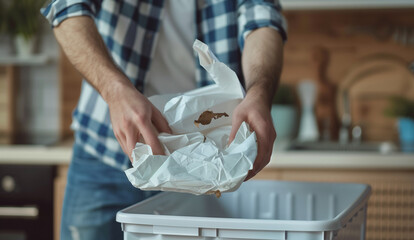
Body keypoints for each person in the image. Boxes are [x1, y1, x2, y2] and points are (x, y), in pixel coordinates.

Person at [42, 0, 287, 239]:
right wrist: (114, 90)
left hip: (201, 167)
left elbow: (261, 17)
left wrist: (259, 92)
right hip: (104, 155)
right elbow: (66, 7)